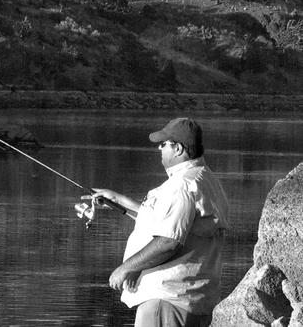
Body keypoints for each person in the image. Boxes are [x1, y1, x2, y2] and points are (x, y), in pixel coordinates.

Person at [88, 117, 229, 327]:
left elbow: (169, 242)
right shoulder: (206, 179)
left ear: (179, 149)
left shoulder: (181, 186)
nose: (159, 149)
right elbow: (175, 224)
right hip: (193, 301)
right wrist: (117, 200)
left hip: (167, 300)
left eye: (163, 144)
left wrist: (126, 268)